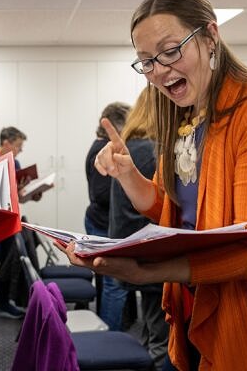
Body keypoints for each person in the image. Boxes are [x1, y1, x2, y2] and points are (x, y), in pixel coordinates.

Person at [62, 0, 247, 370]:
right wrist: (128, 175)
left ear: (210, 37)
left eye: (170, 50)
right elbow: (171, 208)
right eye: (146, 61)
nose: (158, 70)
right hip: (201, 306)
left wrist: (149, 272)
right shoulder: (186, 116)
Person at [107, 86, 169, 369]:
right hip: (150, 251)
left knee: (150, 326)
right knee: (162, 338)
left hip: (128, 246)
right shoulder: (151, 150)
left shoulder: (129, 147)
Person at [85, 102, 130, 329]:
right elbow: (101, 194)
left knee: (108, 282)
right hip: (102, 223)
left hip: (99, 221)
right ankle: (111, 336)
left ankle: (105, 328)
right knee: (115, 285)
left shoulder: (101, 146)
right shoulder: (103, 149)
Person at [0, 127, 29, 326]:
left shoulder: (15, 163)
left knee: (8, 266)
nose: (19, 150)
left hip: (9, 220)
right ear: (6, 143)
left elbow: (15, 195)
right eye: (18, 146)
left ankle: (3, 304)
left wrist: (26, 192)